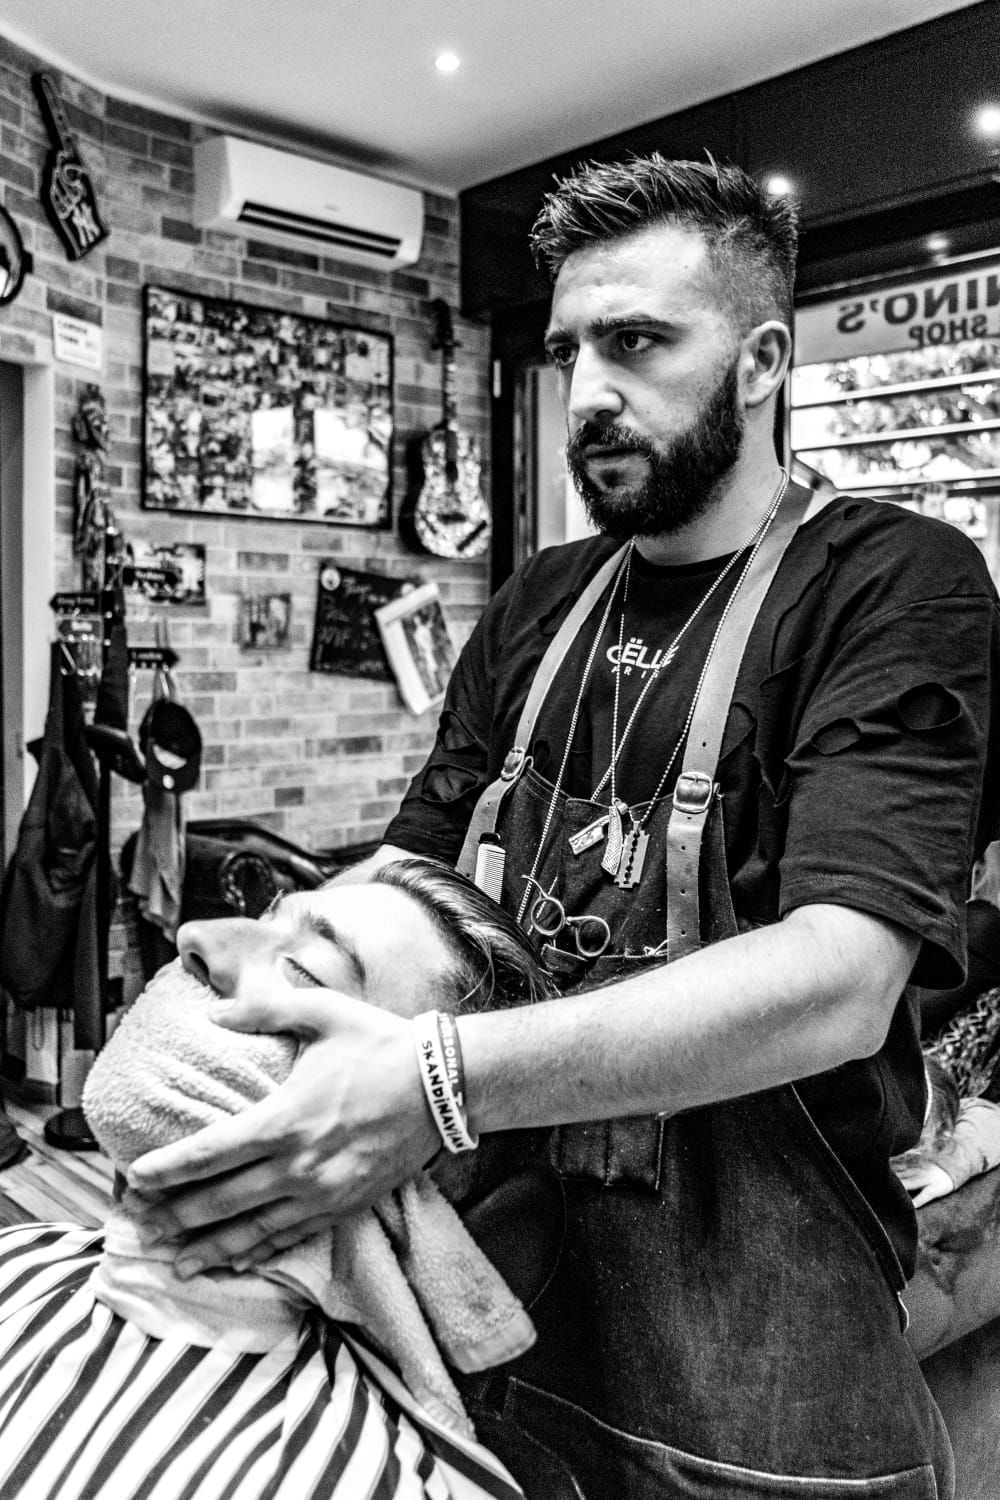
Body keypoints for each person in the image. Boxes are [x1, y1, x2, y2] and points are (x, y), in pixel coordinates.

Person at [125, 157, 1000, 1497]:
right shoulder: (542, 600)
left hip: (764, 1350)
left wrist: (438, 1081)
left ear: (761, 363)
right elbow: (414, 868)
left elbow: (840, 979)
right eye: (570, 350)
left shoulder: (890, 582)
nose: (588, 390)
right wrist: (274, 964)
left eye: (637, 342)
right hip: (494, 1291)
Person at [0, 858, 555, 1500]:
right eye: (265, 919)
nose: (198, 936)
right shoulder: (16, 1260)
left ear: (401, 1150)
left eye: (305, 971)